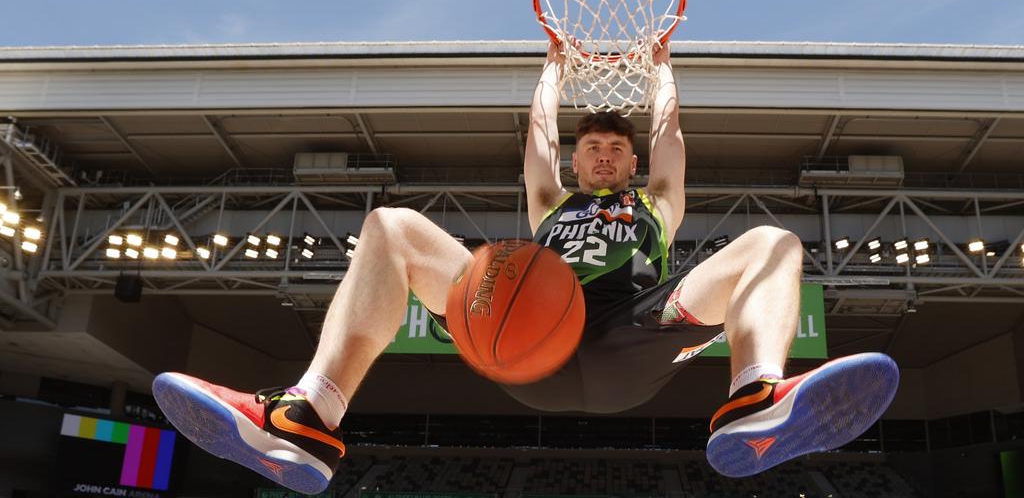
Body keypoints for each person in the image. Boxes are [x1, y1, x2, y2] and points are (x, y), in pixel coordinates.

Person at [153, 41, 898, 493]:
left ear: (632, 162)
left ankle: (754, 400)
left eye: (617, 149)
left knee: (772, 242)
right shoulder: (549, 205)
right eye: (592, 148)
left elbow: (672, 138)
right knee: (391, 228)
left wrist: (662, 70)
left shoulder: (657, 206)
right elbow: (535, 140)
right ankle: (308, 417)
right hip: (527, 332)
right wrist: (551, 67)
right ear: (576, 160)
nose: (604, 154)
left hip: (632, 332)